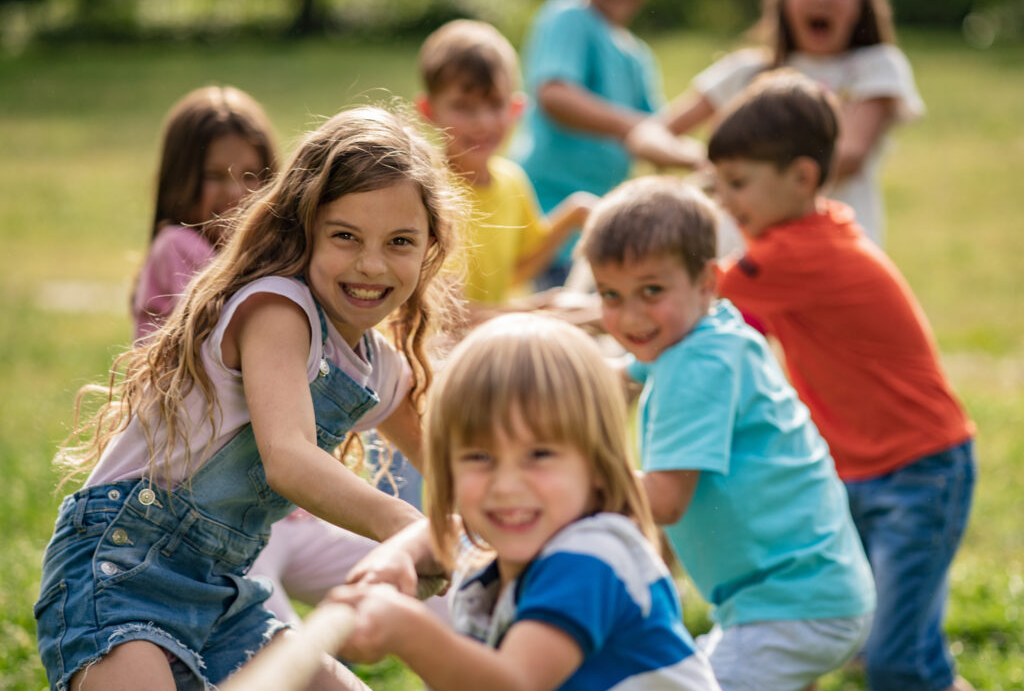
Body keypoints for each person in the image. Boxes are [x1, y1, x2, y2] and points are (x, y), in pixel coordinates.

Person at [34, 105, 463, 691]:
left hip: (221, 589)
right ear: (302, 229)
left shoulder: (378, 367)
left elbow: (456, 460)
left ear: (431, 247)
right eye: (345, 236)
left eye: (400, 242)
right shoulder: (277, 310)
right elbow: (287, 459)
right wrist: (404, 523)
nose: (371, 264)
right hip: (121, 569)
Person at [709, 69, 976, 691]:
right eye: (718, 183)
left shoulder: (795, 255)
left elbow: (682, 301)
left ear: (802, 177)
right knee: (878, 642)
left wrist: (573, 313)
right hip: (857, 469)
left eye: (739, 183)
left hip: (919, 474)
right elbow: (720, 322)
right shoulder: (805, 234)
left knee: (895, 660)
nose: (724, 201)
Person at [578, 175, 876, 691]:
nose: (629, 316)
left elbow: (667, 500)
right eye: (611, 294)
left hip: (789, 607)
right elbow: (613, 377)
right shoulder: (706, 335)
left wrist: (569, 482)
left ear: (706, 283)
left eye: (652, 290)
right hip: (807, 591)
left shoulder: (697, 365)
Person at [329, 313, 721, 691]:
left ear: (598, 467)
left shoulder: (590, 558)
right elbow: (448, 531)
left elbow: (514, 683)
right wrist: (396, 557)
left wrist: (405, 629)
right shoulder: (522, 532)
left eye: (539, 456)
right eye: (480, 458)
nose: (506, 486)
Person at [644, 0, 922, 247]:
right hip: (740, 253)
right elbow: (649, 134)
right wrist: (701, 161)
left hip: (831, 252)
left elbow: (848, 155)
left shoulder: (875, 67)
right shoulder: (748, 70)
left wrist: (734, 169)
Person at [509, 0, 703, 286]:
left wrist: (706, 144)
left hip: (599, 226)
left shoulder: (636, 55)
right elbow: (555, 96)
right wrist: (634, 128)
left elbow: (656, 132)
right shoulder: (569, 16)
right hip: (553, 219)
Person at [417, 18, 596, 311]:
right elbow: (447, 317)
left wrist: (573, 215)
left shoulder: (512, 180)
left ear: (516, 109)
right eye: (463, 106)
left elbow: (516, 271)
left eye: (495, 104)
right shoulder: (426, 190)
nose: (482, 122)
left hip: (485, 343)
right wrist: (536, 309)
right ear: (428, 111)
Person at [132, 85, 277, 340]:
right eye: (214, 175)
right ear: (178, 180)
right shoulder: (176, 246)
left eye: (250, 175)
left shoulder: (264, 251)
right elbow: (224, 336)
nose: (235, 192)